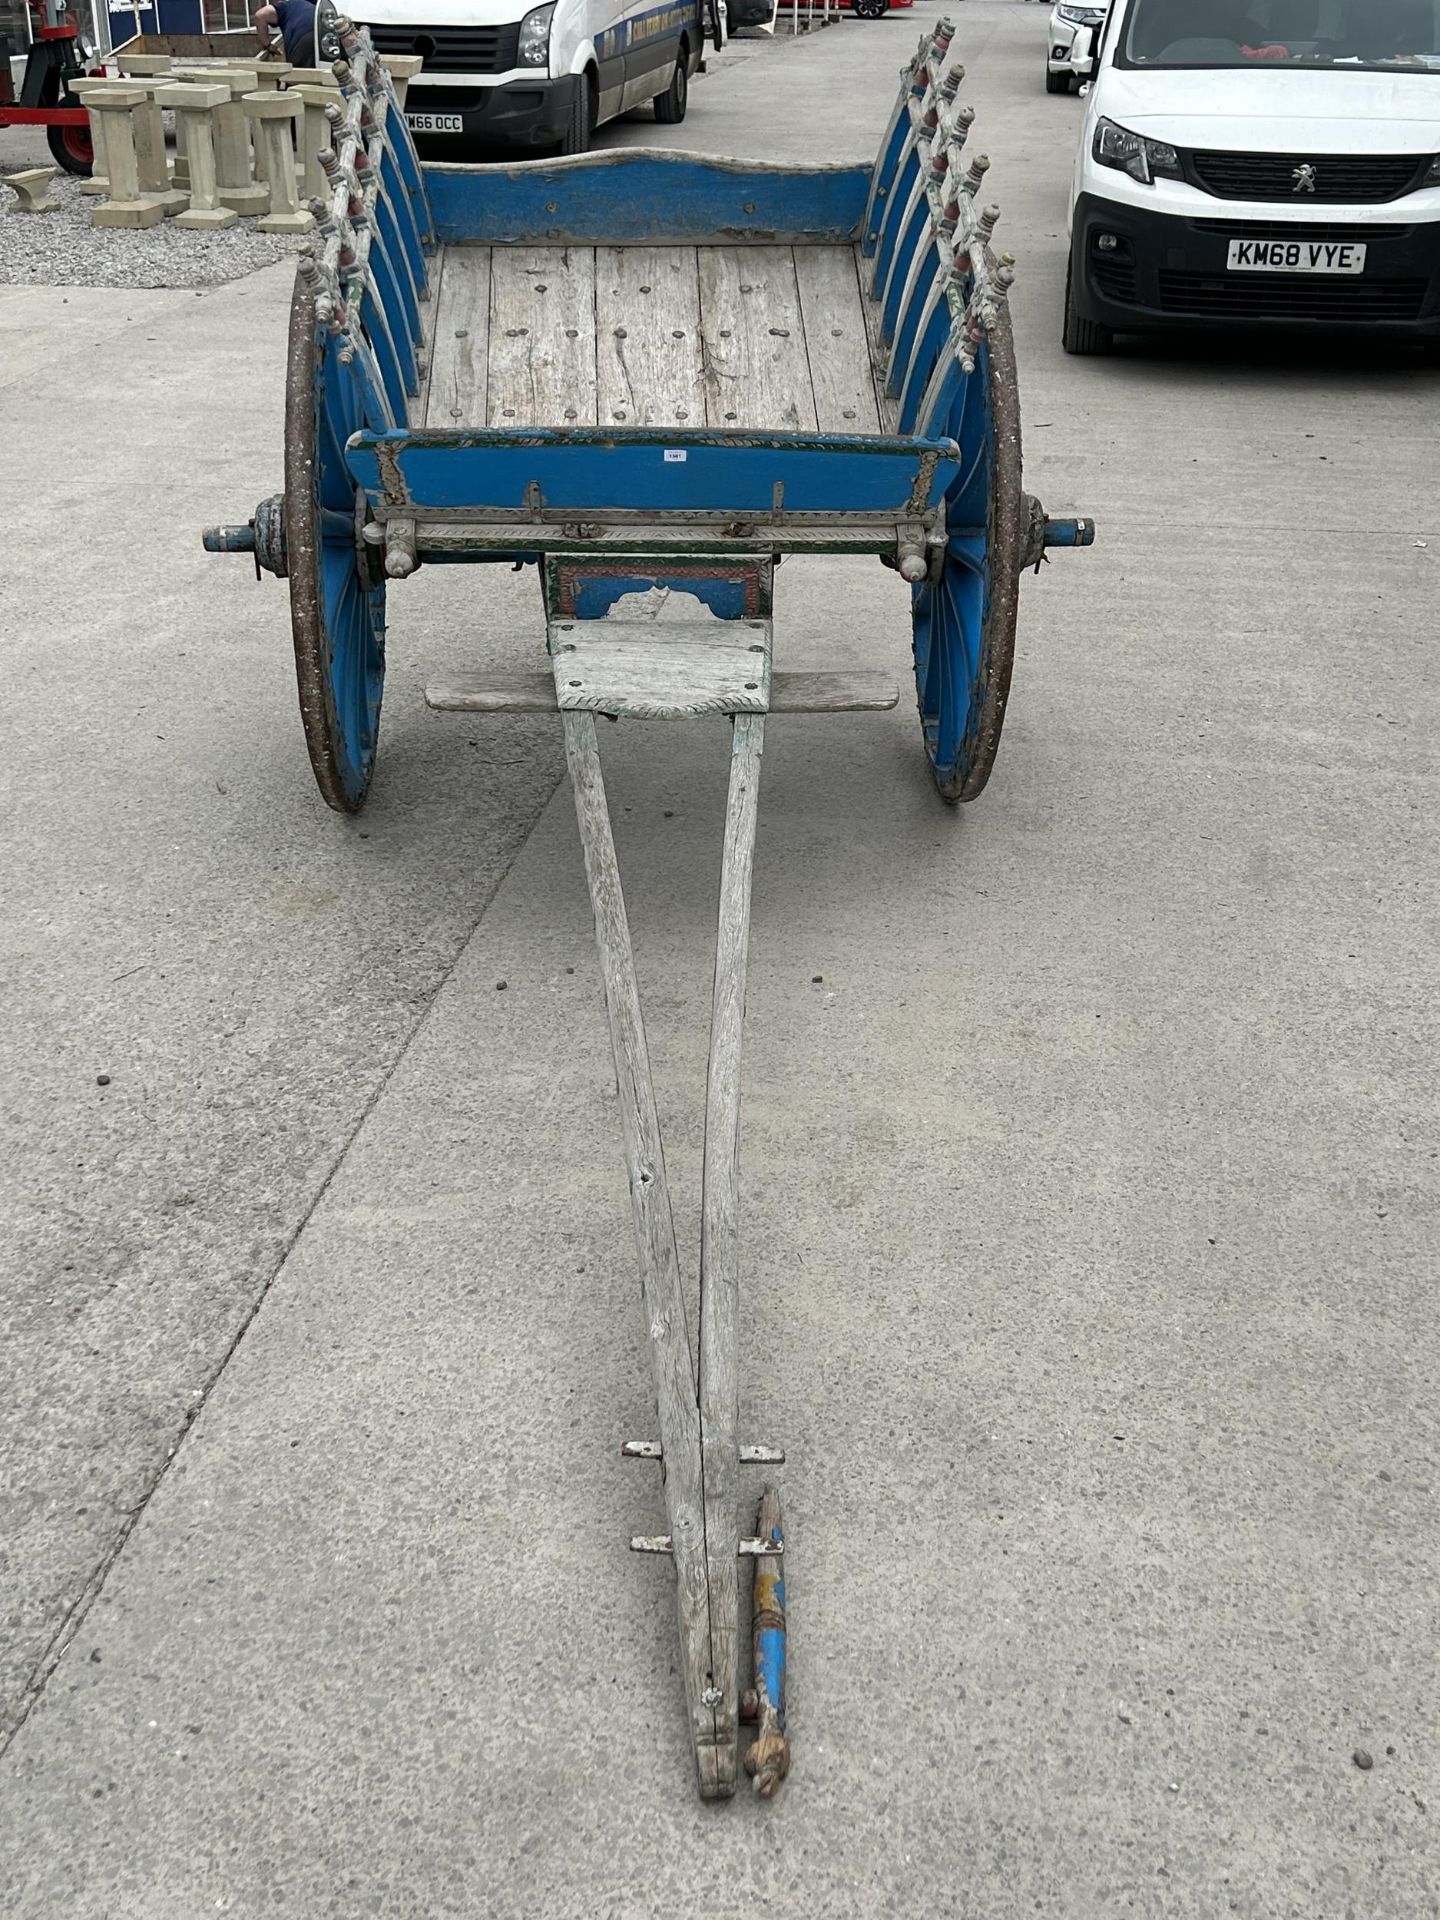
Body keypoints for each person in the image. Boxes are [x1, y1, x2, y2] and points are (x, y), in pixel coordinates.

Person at [253, 0, 316, 66]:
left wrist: (267, 45)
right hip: (319, 39)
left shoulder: (287, 5)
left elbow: (260, 15)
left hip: (300, 40)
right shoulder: (317, 7)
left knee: (299, 74)